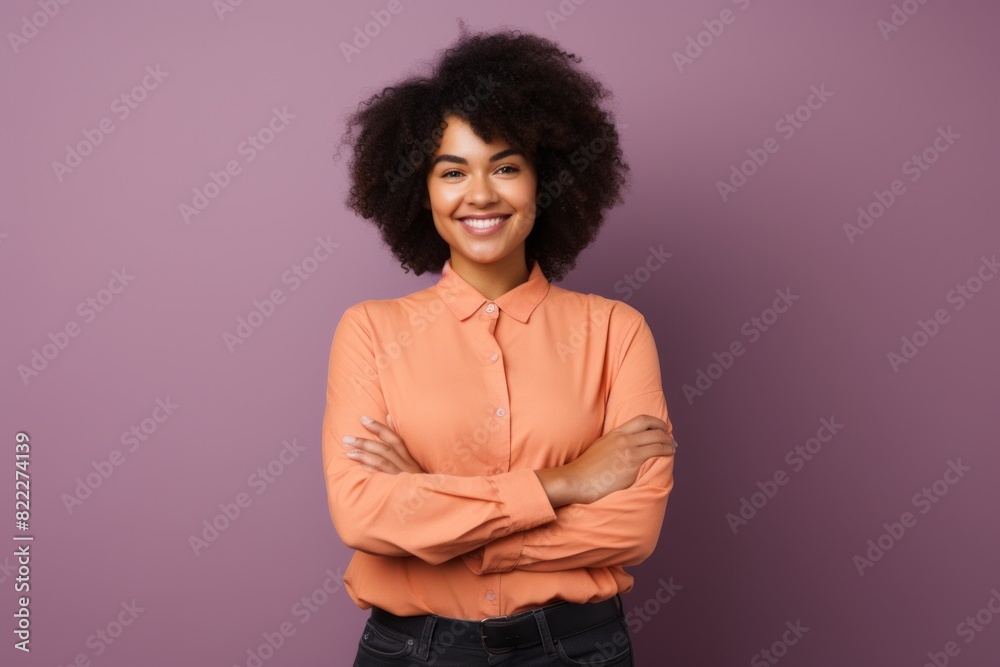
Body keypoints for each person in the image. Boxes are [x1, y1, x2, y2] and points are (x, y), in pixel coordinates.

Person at [324, 23, 678, 666]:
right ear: (420, 190)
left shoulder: (616, 330)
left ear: (546, 182)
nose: (480, 194)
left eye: (506, 167)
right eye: (452, 171)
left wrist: (434, 512)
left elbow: (631, 527)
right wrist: (567, 482)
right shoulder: (368, 331)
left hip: (576, 649)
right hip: (411, 651)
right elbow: (363, 517)